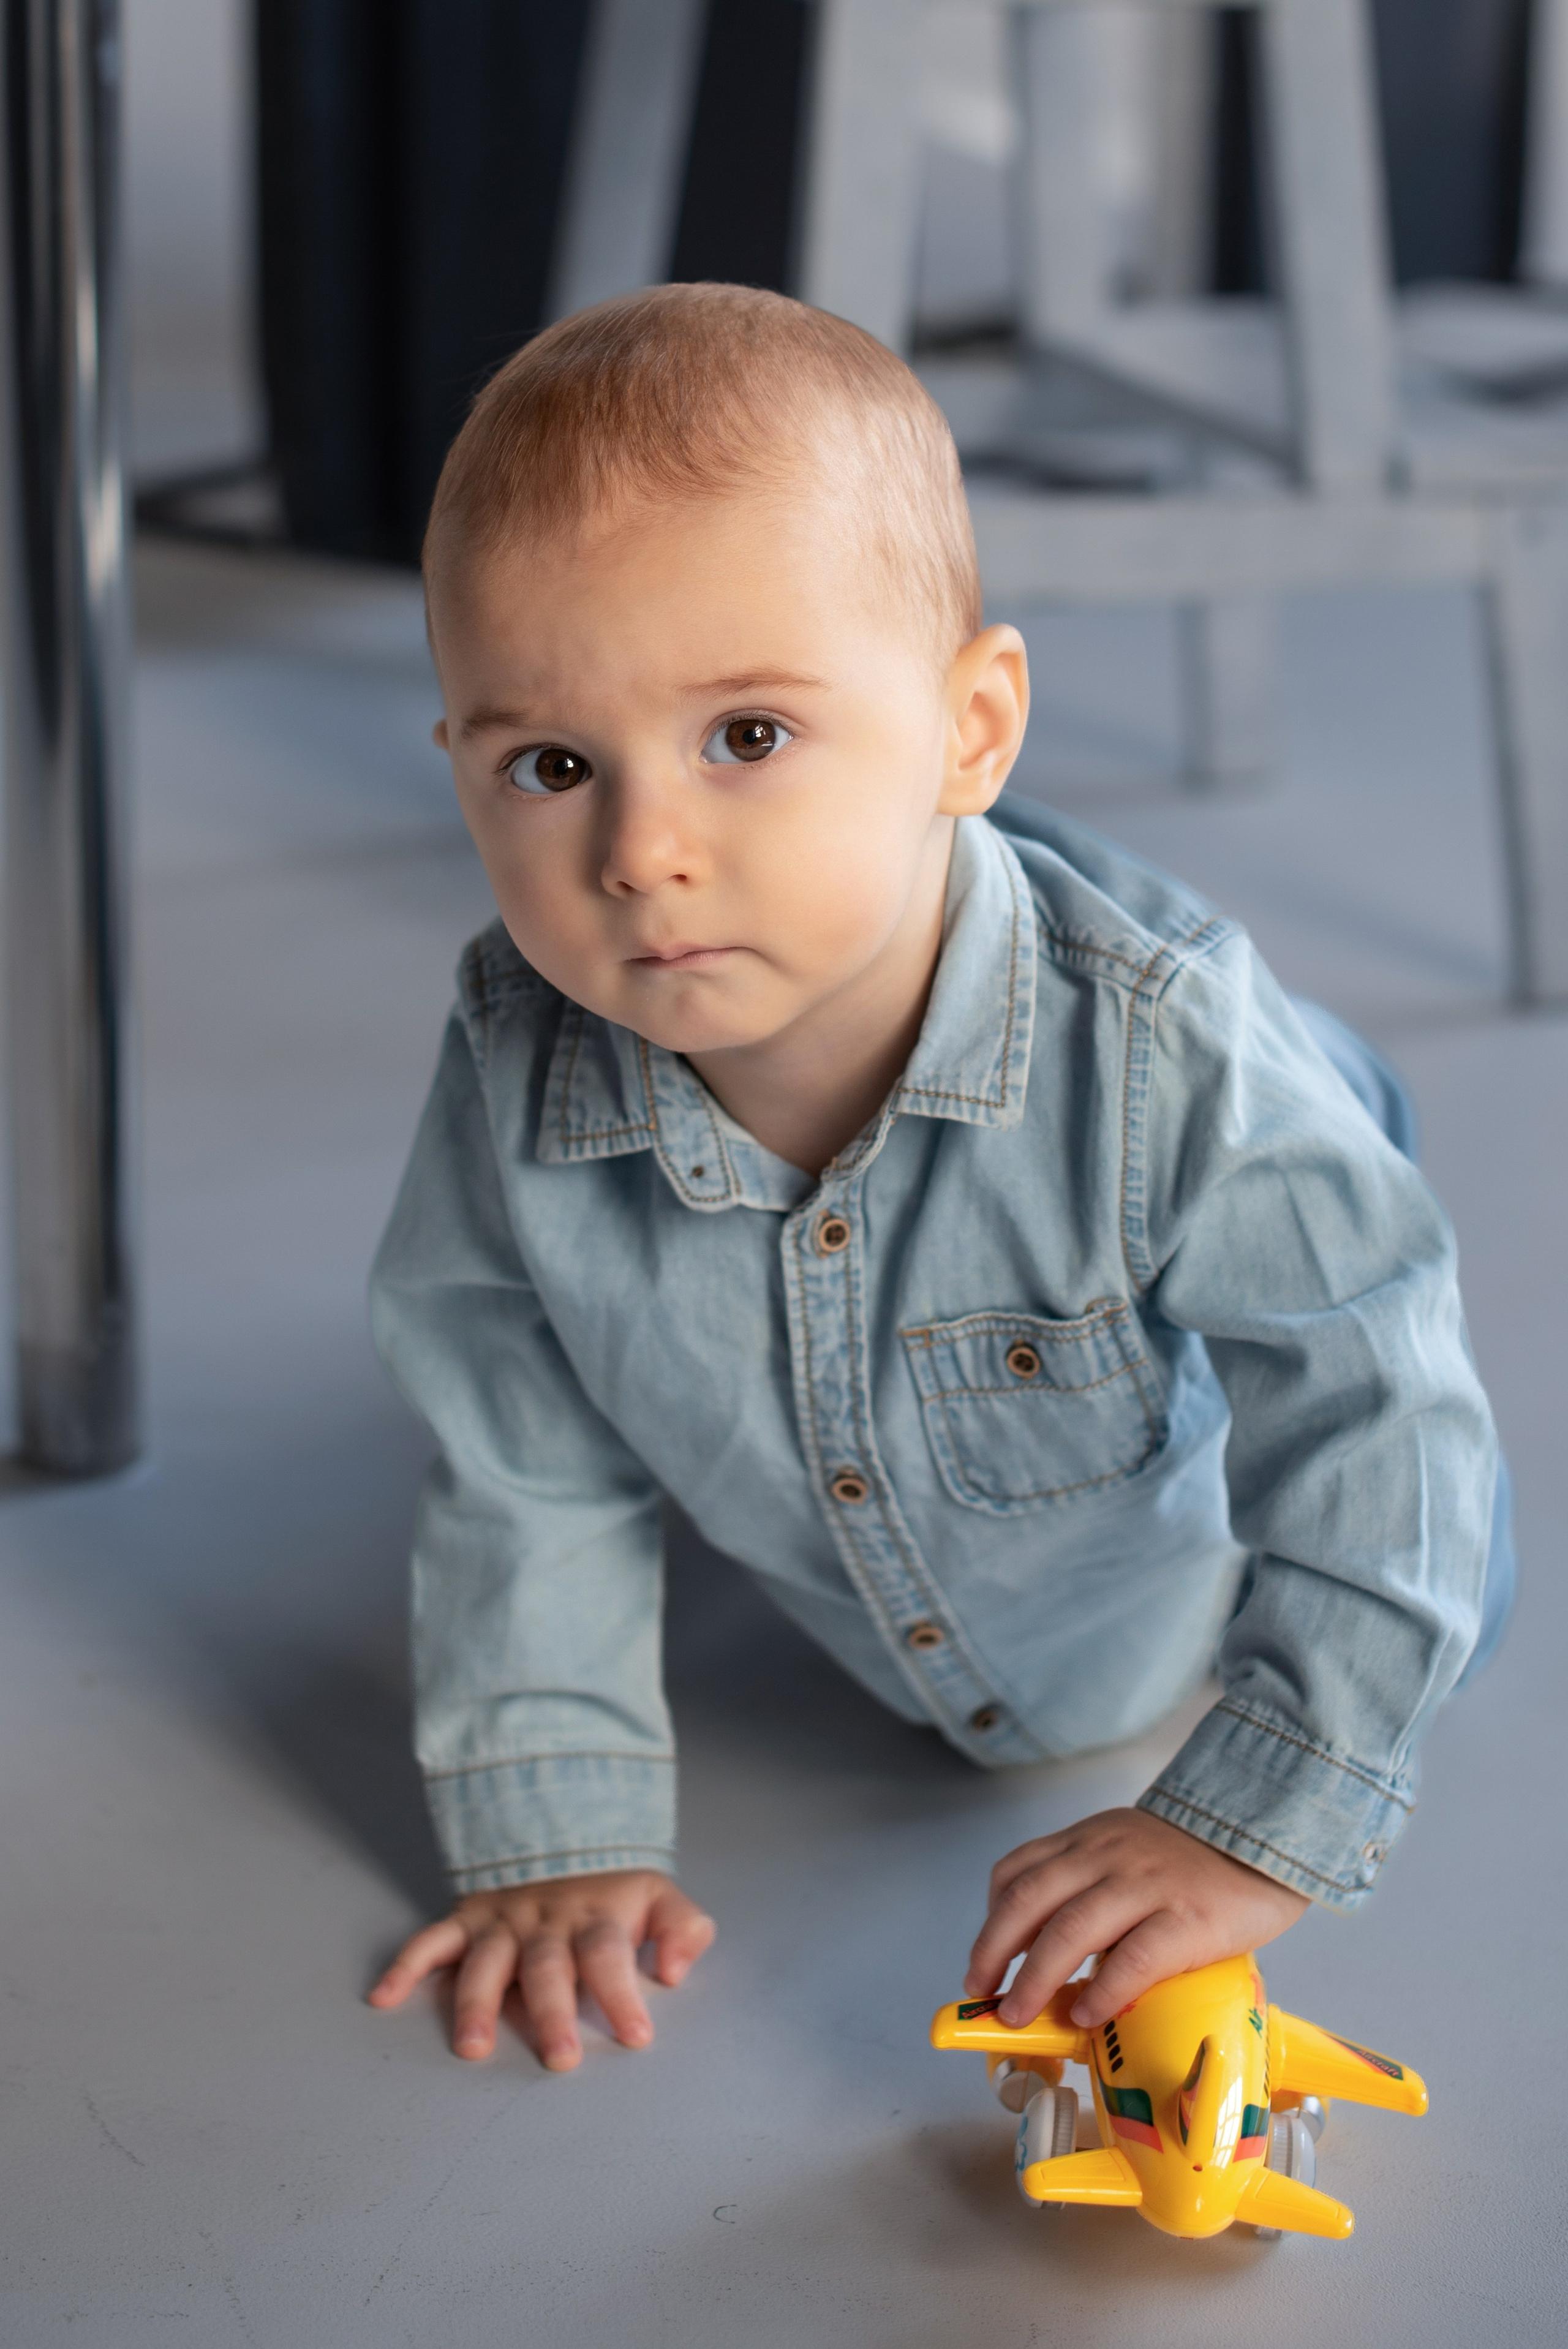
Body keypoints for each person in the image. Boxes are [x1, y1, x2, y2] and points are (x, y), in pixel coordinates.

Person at [366, 284, 1506, 2074]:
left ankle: (1316, 1069)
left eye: (747, 734)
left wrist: (1251, 1812)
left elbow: (1381, 1422)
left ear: (977, 725)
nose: (645, 852)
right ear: (464, 775)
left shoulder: (1161, 1062)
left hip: (1184, 1511)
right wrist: (563, 1819)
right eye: (553, 765)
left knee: (1318, 1204)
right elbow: (520, 1442)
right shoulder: (520, 1052)